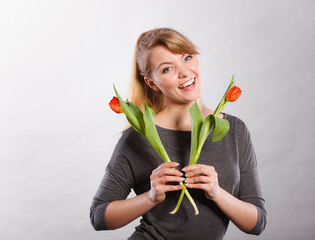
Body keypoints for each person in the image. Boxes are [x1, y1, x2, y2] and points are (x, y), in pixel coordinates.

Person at [90, 28, 266, 239]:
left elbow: (257, 223)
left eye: (187, 57)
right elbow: (98, 216)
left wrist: (217, 193)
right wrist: (151, 197)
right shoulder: (139, 136)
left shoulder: (235, 130)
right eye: (167, 69)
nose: (184, 72)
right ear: (152, 83)